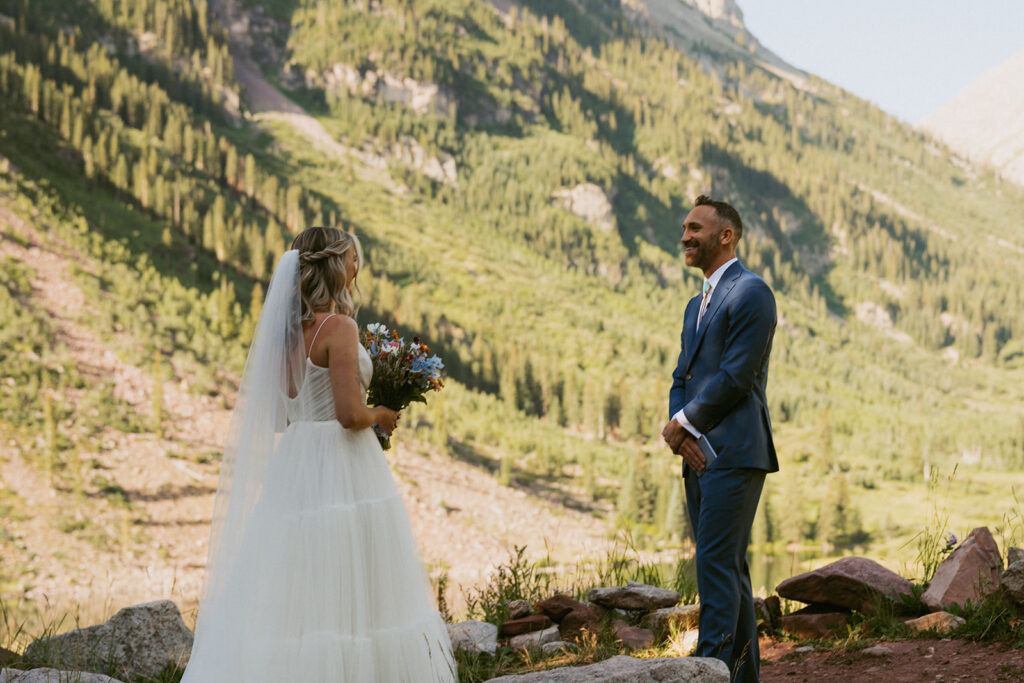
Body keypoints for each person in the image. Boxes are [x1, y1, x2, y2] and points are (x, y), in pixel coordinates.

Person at [181, 227, 455, 682]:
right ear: (333, 267)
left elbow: (277, 419)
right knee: (355, 573)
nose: (357, 267)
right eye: (351, 259)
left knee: (301, 576)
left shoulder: (285, 336)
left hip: (296, 463)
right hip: (342, 461)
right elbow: (349, 414)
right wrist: (383, 413)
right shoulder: (339, 328)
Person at [661, 195, 777, 682]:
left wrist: (682, 423)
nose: (685, 236)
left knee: (714, 567)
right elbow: (681, 377)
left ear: (725, 235)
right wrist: (678, 432)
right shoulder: (695, 305)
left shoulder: (752, 293)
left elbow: (735, 377)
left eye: (695, 227)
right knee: (729, 568)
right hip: (698, 455)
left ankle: (708, 671)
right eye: (684, 227)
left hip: (736, 452)